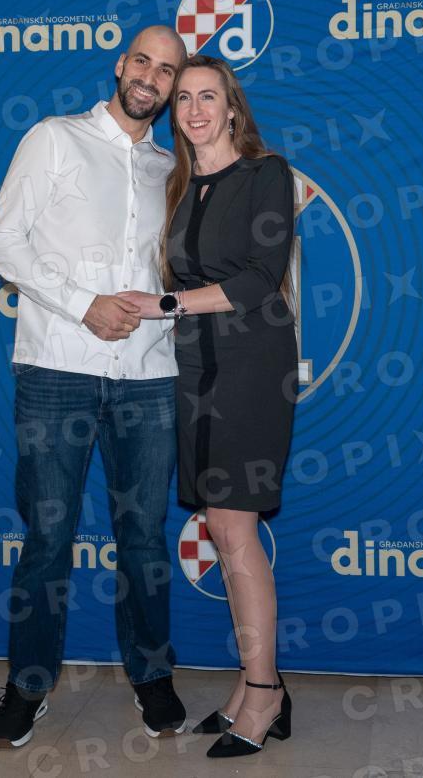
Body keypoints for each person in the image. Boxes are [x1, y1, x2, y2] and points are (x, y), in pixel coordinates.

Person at [0, 26, 188, 748]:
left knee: (145, 538)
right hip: (56, 369)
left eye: (167, 71)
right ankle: (28, 684)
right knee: (48, 537)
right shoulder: (54, 139)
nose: (151, 78)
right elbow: (1, 240)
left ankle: (152, 676)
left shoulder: (173, 168)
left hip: (148, 376)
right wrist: (82, 305)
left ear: (173, 86)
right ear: (120, 65)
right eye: (143, 62)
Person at [117, 54, 298, 759]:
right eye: (183, 98)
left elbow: (260, 277)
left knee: (234, 526)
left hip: (251, 367)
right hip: (194, 368)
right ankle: (253, 685)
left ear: (231, 109)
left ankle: (265, 693)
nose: (194, 109)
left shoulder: (265, 173)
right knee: (223, 529)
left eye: (208, 97)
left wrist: (162, 304)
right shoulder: (178, 185)